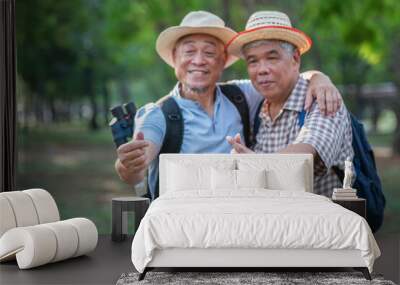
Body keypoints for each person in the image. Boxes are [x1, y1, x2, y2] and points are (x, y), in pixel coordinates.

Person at [115, 11, 342, 200]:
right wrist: (129, 167)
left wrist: (319, 78)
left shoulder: (241, 95)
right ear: (174, 57)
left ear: (223, 60)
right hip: (183, 224)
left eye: (210, 52)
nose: (198, 60)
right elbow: (138, 164)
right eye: (189, 51)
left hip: (239, 221)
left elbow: (289, 81)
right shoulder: (158, 113)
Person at [226, 11, 353, 196]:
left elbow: (305, 154)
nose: (262, 70)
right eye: (253, 61)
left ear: (295, 59)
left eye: (272, 57)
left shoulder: (323, 98)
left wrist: (254, 165)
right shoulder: (257, 106)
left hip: (320, 221)